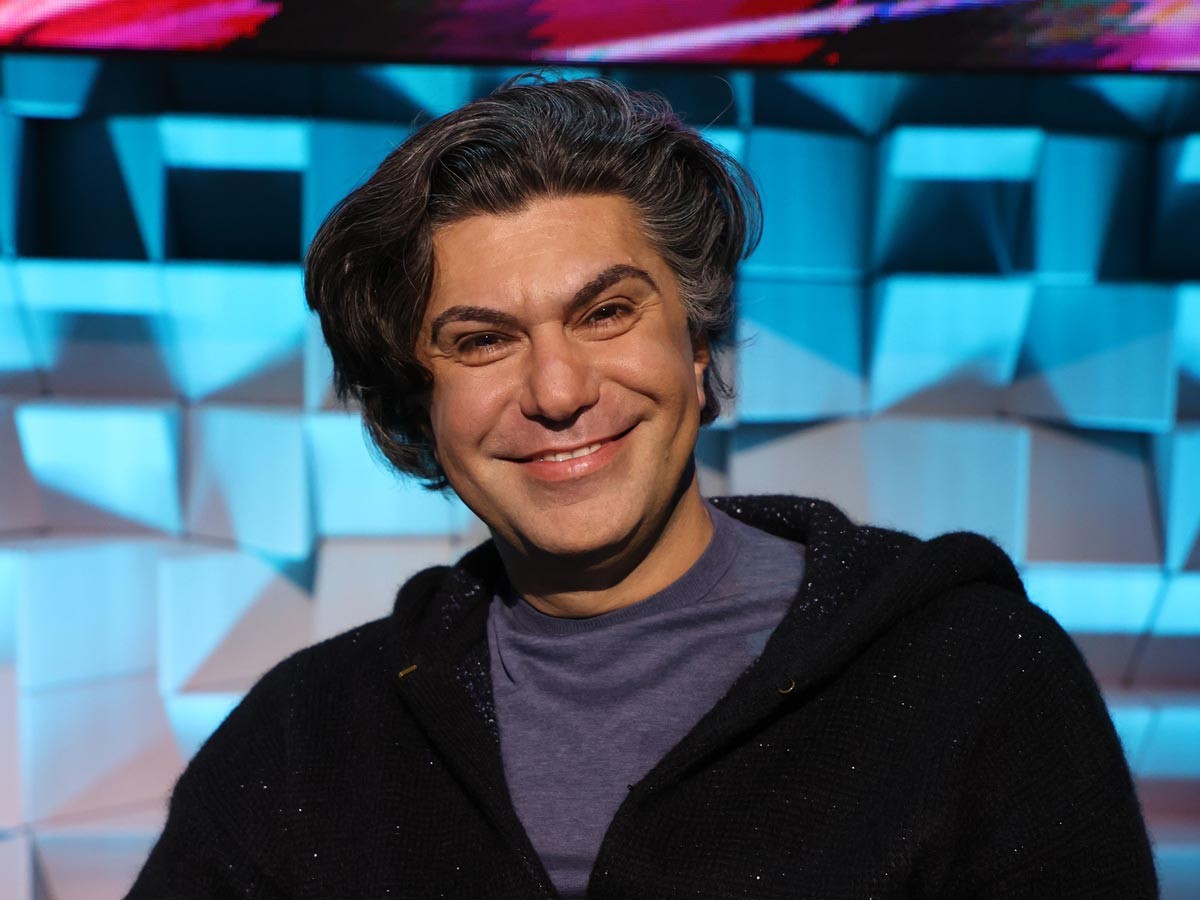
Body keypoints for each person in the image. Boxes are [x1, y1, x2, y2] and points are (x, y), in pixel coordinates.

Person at [127, 76, 1157, 899]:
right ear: (420, 405)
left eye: (607, 313)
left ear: (697, 346)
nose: (558, 391)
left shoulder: (974, 680)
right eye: (482, 341)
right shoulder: (304, 739)